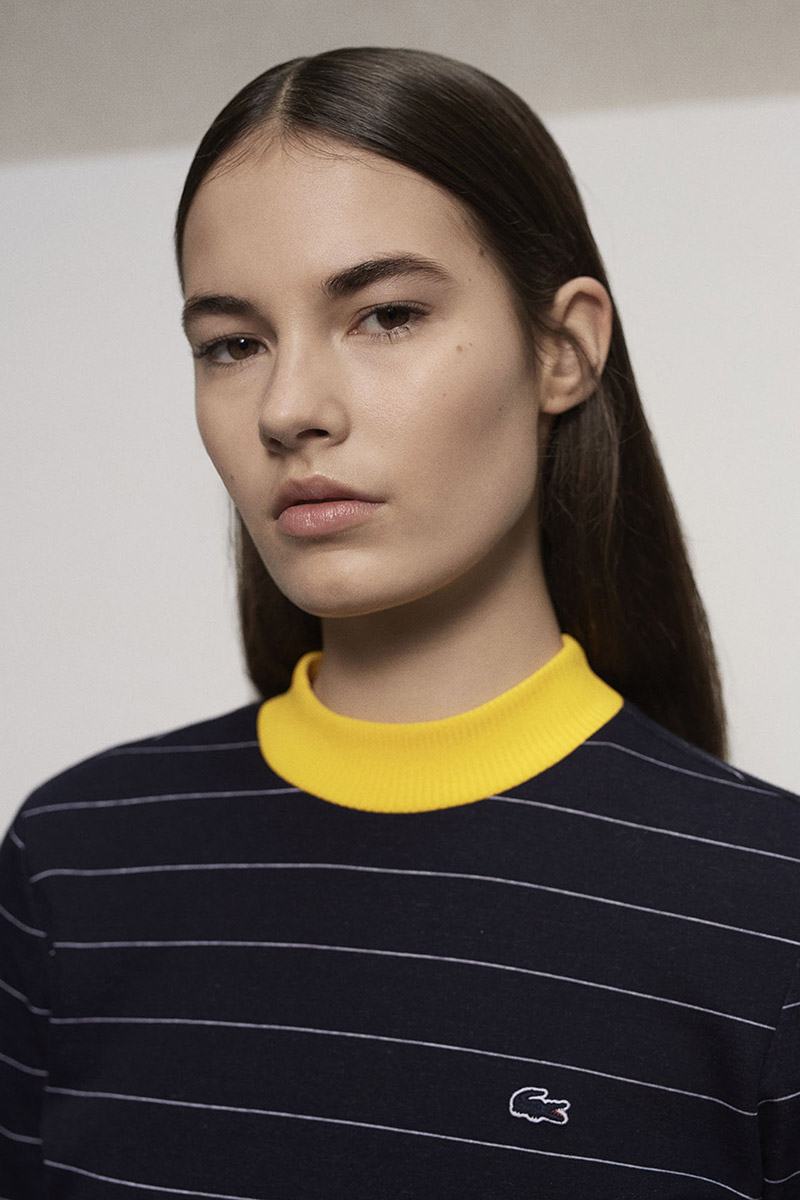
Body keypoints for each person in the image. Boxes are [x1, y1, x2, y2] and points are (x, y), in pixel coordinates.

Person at [1, 46, 798, 1200]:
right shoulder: (72, 864)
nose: (288, 409)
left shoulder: (769, 908)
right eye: (232, 343)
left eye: (384, 315)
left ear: (563, 349)